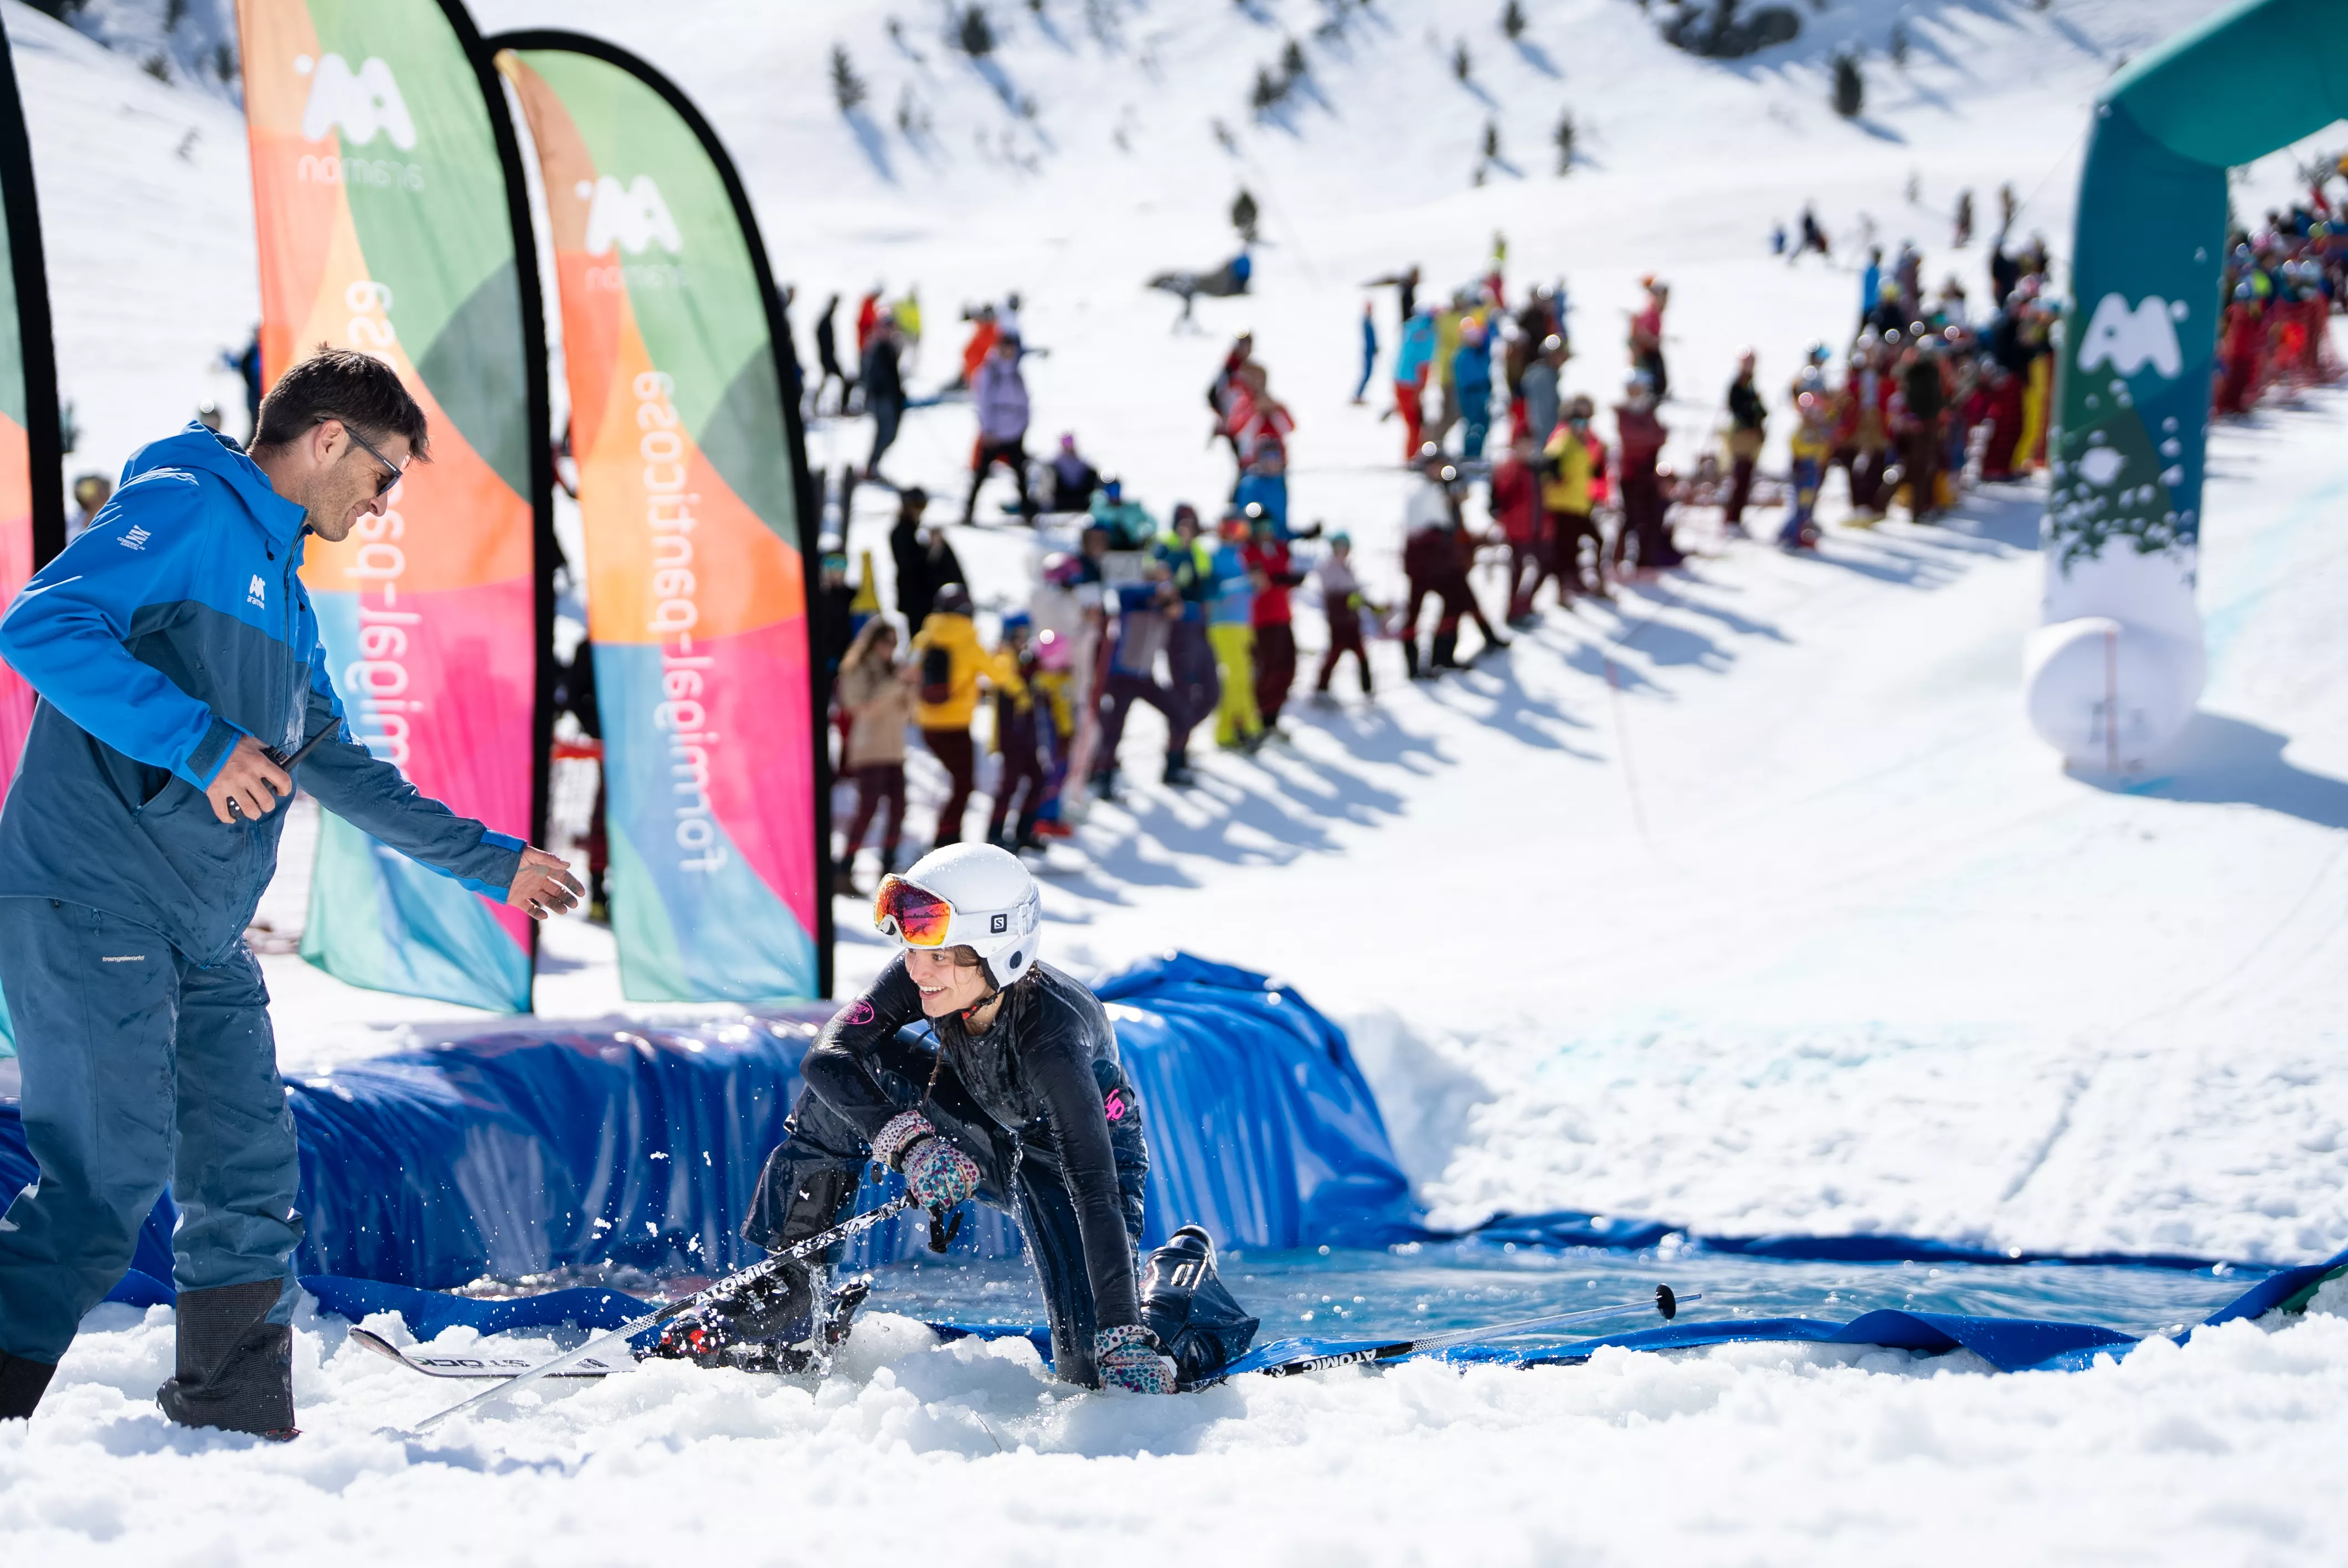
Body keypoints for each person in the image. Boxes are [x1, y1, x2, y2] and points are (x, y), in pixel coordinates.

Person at [0, 349, 582, 1435]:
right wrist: (202, 744)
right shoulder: (183, 506)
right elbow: (41, 626)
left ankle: (233, 1417)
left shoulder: (281, 590)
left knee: (247, 1171)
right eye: (384, 474)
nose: (383, 501)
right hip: (95, 899)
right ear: (327, 440)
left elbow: (333, 761)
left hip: (202, 929)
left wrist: (494, 861)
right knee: (103, 1181)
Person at [655, 844, 1183, 1392]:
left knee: (1096, 1375)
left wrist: (1121, 1331)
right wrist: (912, 1145)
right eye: (910, 950)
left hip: (1073, 1169)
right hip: (989, 1122)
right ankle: (792, 1294)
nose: (916, 971)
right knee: (863, 1071)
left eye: (937, 957)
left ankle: (1173, 1287)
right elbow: (828, 1056)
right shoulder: (934, 974)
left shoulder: (1052, 1037)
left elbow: (1094, 1186)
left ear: (998, 952)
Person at [911, 582, 1019, 852]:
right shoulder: (970, 643)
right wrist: (1006, 656)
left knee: (957, 783)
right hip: (956, 726)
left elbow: (910, 672)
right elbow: (1000, 677)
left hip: (926, 723)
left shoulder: (924, 638)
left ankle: (946, 836)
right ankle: (946, 839)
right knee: (964, 785)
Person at [1093, 565, 1194, 792]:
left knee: (1181, 715)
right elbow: (1126, 597)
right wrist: (1155, 591)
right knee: (1114, 729)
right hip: (1122, 675)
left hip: (1145, 676)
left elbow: (1179, 610)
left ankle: (1174, 766)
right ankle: (1104, 777)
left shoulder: (1163, 607)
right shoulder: (1133, 598)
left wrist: (1167, 599)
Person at [836, 617, 915, 894]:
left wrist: (910, 686)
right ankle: (845, 868)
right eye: (886, 642)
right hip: (869, 750)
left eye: (895, 643)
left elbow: (907, 712)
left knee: (898, 810)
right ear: (873, 641)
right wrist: (897, 683)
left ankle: (890, 870)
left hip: (894, 750)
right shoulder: (857, 668)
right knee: (867, 810)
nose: (890, 648)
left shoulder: (893, 668)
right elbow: (859, 705)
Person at [1154, 504, 1221, 759]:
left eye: (1191, 524)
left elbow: (1209, 587)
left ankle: (1179, 739)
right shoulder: (1164, 546)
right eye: (1183, 524)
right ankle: (1175, 753)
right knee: (1183, 692)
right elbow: (1159, 578)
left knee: (1211, 694)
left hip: (1200, 627)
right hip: (1178, 631)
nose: (1187, 530)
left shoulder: (1199, 552)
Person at [985, 613, 1048, 852]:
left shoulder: (1026, 659)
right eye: (1019, 634)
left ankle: (1024, 831)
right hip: (1010, 733)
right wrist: (1022, 689)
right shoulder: (1003, 657)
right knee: (1009, 784)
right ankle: (994, 833)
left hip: (1028, 734)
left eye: (1026, 634)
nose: (1023, 640)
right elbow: (1004, 678)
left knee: (1037, 778)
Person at [1205, 512, 1263, 751]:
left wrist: (1254, 586)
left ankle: (1227, 731)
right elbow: (1213, 591)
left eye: (1242, 530)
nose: (1238, 535)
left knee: (1241, 677)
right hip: (1223, 624)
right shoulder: (1215, 556)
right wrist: (1247, 583)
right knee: (1237, 677)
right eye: (1233, 529)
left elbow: (1245, 591)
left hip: (1242, 624)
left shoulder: (1239, 556)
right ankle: (1248, 728)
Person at [1242, 508, 1304, 731]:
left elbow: (1282, 576)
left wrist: (1289, 580)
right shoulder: (1248, 552)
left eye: (1269, 528)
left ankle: (1273, 715)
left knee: (1287, 666)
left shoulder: (1279, 550)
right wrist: (1277, 580)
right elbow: (1259, 581)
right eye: (1261, 528)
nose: (1266, 533)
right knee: (1267, 668)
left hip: (1283, 616)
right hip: (1261, 620)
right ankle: (1259, 716)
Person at [1613, 371, 1681, 572]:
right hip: (1630, 475)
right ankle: (1618, 560)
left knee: (1650, 518)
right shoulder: (1622, 413)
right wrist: (1651, 436)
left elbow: (1659, 436)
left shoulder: (1649, 412)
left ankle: (1646, 559)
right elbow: (1634, 438)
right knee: (1630, 518)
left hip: (1648, 474)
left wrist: (1652, 436)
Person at [966, 334, 1036, 524]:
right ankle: (969, 510)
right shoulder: (990, 371)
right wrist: (988, 429)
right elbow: (983, 402)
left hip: (1014, 431)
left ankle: (1027, 512)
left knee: (1021, 474)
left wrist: (1023, 424)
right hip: (994, 433)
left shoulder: (1015, 372)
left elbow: (1025, 401)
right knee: (981, 473)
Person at [1540, 396, 1603, 602]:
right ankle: (1563, 589)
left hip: (1580, 504)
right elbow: (1550, 461)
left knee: (1590, 542)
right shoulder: (1564, 439)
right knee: (1565, 549)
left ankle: (1584, 580)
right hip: (1563, 505)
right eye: (1577, 422)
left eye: (1584, 422)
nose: (1581, 427)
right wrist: (1555, 475)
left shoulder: (1584, 442)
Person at [1310, 532, 1372, 703]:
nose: (1343, 551)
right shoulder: (1328, 567)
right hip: (1339, 621)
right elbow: (1333, 590)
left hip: (1352, 621)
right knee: (1335, 653)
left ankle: (1368, 690)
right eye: (1340, 547)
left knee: (1362, 655)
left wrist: (1369, 605)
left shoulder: (1349, 568)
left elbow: (1355, 595)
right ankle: (1321, 690)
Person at [1490, 432, 1543, 625]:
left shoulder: (1532, 468)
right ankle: (1514, 609)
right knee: (1519, 569)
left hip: (1534, 527)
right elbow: (1499, 499)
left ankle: (1522, 605)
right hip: (1516, 528)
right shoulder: (1510, 468)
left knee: (1541, 565)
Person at [1723, 349, 1767, 532]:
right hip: (1741, 437)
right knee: (1739, 478)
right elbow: (1738, 408)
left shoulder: (1750, 384)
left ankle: (1736, 518)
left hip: (1751, 439)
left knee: (1745, 478)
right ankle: (1732, 519)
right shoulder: (1738, 384)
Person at [862, 317, 906, 481]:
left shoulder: (890, 347)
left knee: (890, 435)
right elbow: (868, 375)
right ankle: (871, 467)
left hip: (892, 399)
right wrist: (877, 391)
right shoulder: (875, 347)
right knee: (884, 434)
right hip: (881, 399)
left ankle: (873, 465)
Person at [1391, 307, 1436, 462]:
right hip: (1411, 385)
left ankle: (1414, 456)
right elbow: (1424, 366)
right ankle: (1413, 458)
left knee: (1413, 424)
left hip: (1400, 382)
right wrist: (1420, 389)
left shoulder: (1410, 328)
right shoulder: (1428, 335)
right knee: (1415, 424)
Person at [1452, 317, 1495, 460]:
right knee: (1474, 426)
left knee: (1483, 425)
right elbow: (1467, 380)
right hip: (1470, 395)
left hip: (1482, 394)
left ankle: (1478, 454)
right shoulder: (1463, 355)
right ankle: (1470, 455)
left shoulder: (1482, 352)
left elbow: (1491, 336)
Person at [1629, 277, 1669, 403]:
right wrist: (1652, 341)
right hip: (1646, 351)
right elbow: (1640, 332)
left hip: (1652, 349)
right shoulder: (1649, 311)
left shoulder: (1655, 311)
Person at [813, 293, 853, 415]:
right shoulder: (826, 319)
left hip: (828, 357)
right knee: (845, 381)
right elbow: (821, 338)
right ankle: (841, 407)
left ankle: (815, 407)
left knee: (827, 382)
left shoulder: (827, 318)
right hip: (828, 358)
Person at [1047, 433, 1101, 514]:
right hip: (1062, 500)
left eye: (1069, 442)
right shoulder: (1055, 463)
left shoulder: (1082, 462)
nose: (1068, 445)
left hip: (1081, 498)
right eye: (1065, 442)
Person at [1352, 299, 1378, 404]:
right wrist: (1372, 348)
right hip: (1368, 351)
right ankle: (1358, 395)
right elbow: (1369, 338)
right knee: (1366, 374)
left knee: (1368, 374)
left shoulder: (1369, 320)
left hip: (1371, 350)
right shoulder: (1366, 321)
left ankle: (1359, 395)